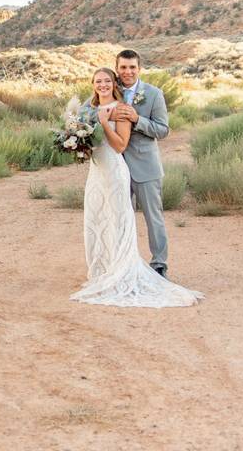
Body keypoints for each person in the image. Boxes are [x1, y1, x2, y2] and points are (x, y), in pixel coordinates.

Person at [70, 67, 202, 307]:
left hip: (120, 167)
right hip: (97, 172)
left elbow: (121, 145)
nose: (103, 85)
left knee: (129, 218)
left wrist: (104, 123)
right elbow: (88, 141)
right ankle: (102, 268)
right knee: (99, 218)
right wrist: (77, 144)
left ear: (114, 83)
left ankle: (148, 266)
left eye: (107, 81)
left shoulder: (122, 110)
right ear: (92, 83)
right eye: (98, 81)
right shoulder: (86, 110)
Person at [111, 49, 170, 278]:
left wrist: (137, 119)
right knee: (119, 218)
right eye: (123, 67)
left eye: (132, 67)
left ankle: (159, 264)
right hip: (116, 166)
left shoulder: (154, 94)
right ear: (117, 68)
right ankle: (122, 264)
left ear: (139, 68)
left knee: (153, 218)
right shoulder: (108, 89)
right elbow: (90, 111)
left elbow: (163, 130)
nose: (127, 72)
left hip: (146, 166)